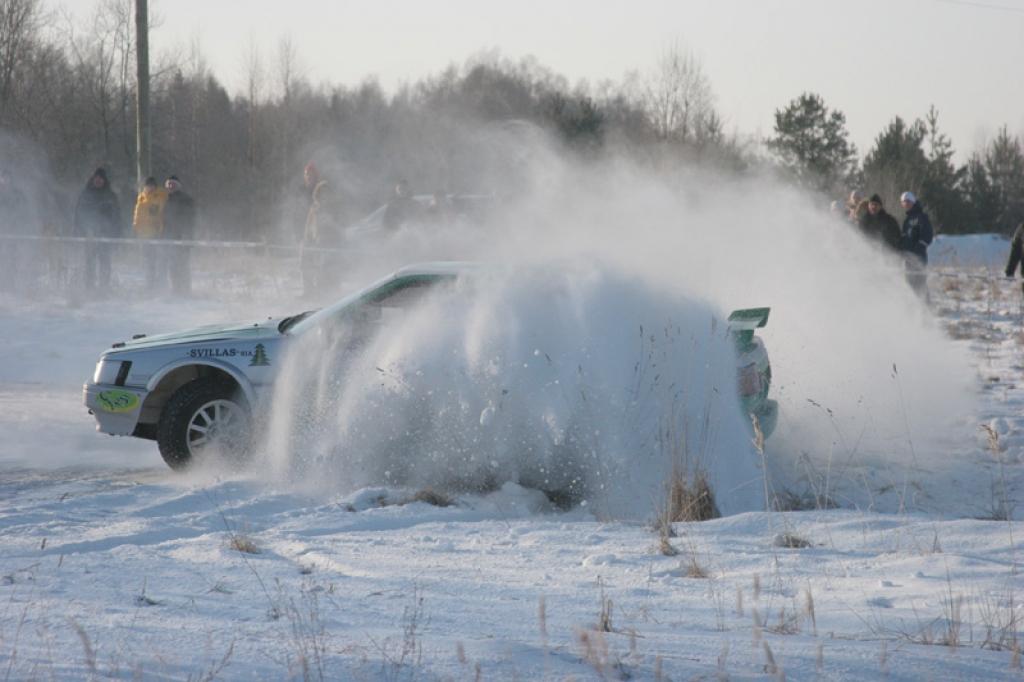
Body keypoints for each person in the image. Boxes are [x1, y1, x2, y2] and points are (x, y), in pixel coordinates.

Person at [73, 167, 121, 291]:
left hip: (105, 235)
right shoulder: (85, 194)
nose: (98, 181)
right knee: (89, 262)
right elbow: (79, 214)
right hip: (89, 234)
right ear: (93, 179)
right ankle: (89, 287)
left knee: (104, 262)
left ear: (104, 180)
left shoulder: (110, 196)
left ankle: (104, 287)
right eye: (96, 178)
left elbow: (116, 217)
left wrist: (116, 233)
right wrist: (79, 231)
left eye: (101, 179)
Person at [132, 176, 169, 290]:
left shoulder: (161, 196)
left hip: (157, 234)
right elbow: (137, 215)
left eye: (152, 185)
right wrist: (135, 228)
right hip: (144, 235)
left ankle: (161, 285)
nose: (150, 187)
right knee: (148, 261)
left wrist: (160, 228)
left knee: (160, 261)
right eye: (148, 185)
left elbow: (161, 213)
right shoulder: (141, 197)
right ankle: (150, 284)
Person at [163, 175, 196, 295]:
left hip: (183, 238)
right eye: (168, 184)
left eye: (173, 184)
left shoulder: (186, 200)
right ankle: (176, 289)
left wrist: (187, 236)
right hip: (170, 237)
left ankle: (185, 290)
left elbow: (190, 220)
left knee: (183, 265)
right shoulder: (166, 200)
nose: (170, 186)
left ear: (178, 186)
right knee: (172, 265)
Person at [899, 191, 934, 298]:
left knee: (919, 283)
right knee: (909, 283)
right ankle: (914, 305)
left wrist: (919, 248)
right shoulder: (907, 220)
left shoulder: (921, 217)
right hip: (908, 258)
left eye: (908, 201)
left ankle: (926, 305)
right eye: (904, 202)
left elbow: (927, 235)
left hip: (918, 257)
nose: (906, 204)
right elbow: (905, 238)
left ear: (913, 202)